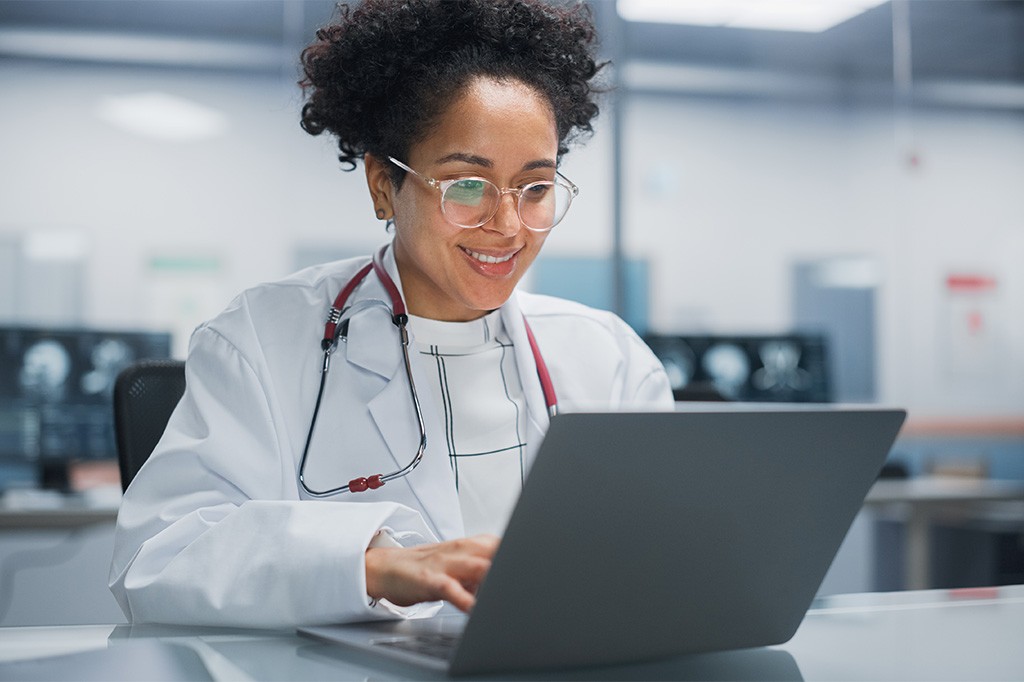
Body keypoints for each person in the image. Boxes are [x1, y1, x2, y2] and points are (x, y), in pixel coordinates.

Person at [109, 0, 673, 628]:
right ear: (383, 183)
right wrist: (370, 567)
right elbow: (158, 560)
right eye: (466, 185)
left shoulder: (610, 359)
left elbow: (669, 556)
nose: (508, 226)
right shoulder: (265, 340)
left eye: (536, 188)